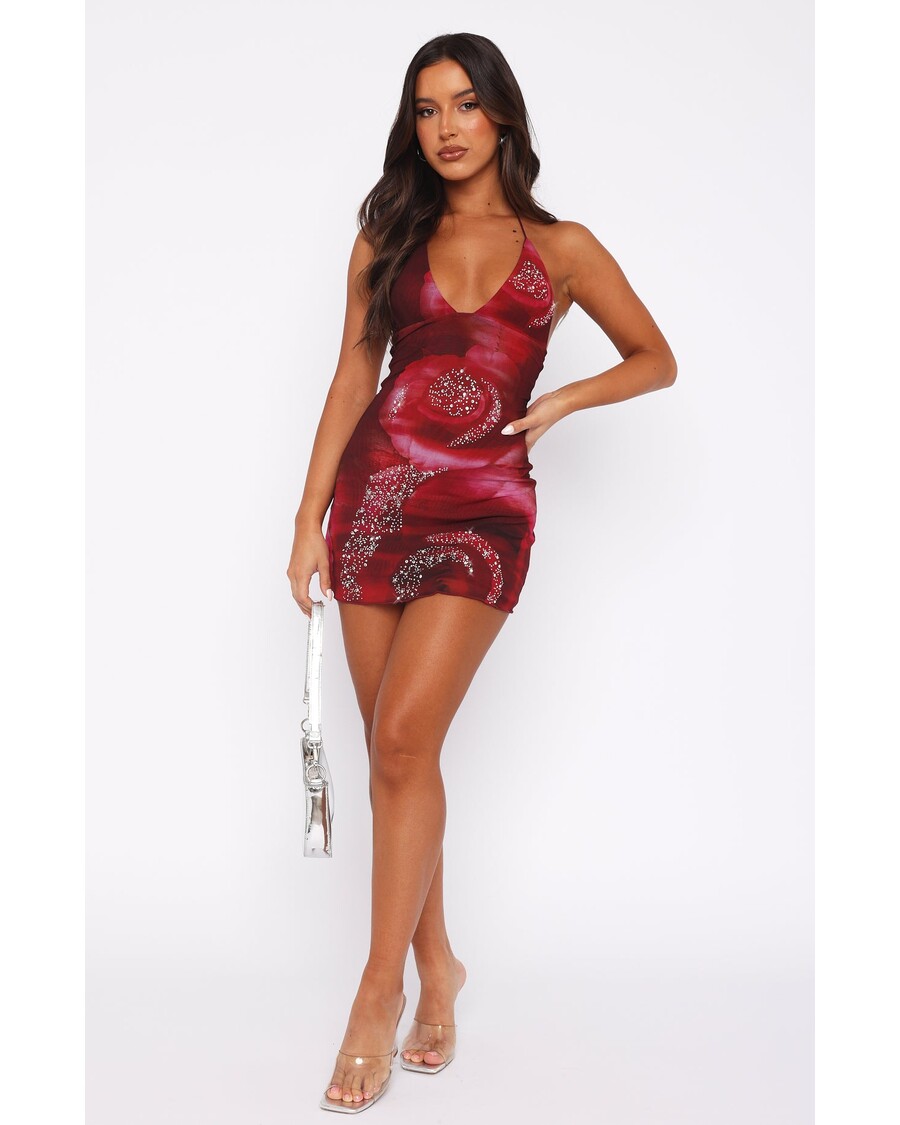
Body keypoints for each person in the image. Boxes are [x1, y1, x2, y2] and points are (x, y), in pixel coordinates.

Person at [286, 31, 677, 1113]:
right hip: (375, 502)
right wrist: (309, 518)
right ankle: (439, 967)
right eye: (427, 109)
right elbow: (352, 378)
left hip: (484, 511)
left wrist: (561, 401)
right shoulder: (387, 236)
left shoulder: (564, 248)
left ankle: (377, 993)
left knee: (406, 738)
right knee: (394, 758)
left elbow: (656, 357)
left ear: (502, 113)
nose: (446, 127)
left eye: (465, 104)